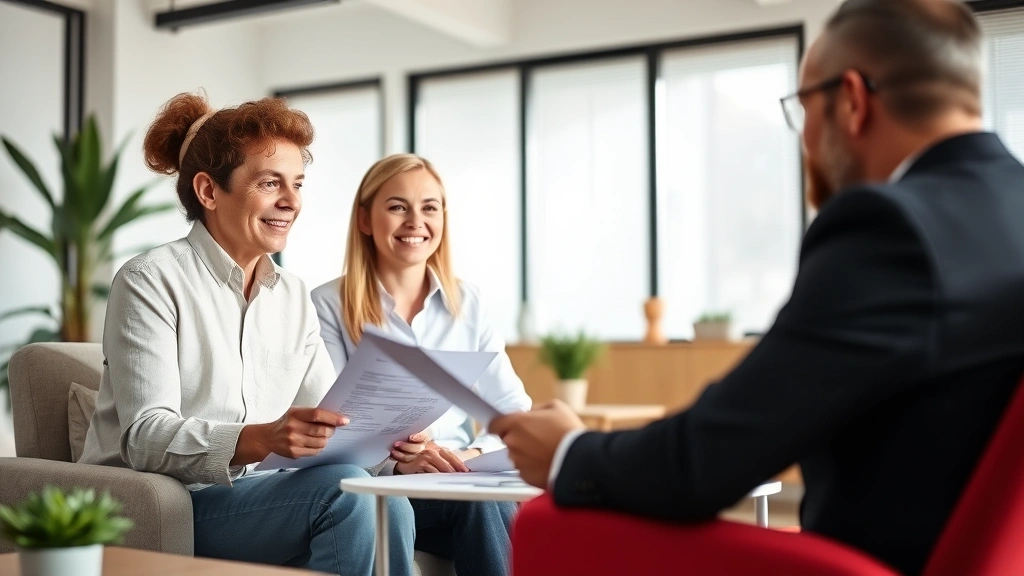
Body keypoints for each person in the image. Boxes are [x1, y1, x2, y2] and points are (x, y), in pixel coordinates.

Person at [491, 1, 1024, 573]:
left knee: (548, 523)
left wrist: (569, 454)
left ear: (850, 100)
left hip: (859, 564)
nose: (808, 140)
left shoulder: (889, 229)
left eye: (804, 109)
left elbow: (703, 465)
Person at [79, 92, 418, 575]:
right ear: (209, 191)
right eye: (270, 182)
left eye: (297, 183)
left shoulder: (293, 295)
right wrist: (262, 438)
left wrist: (393, 452)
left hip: (257, 498)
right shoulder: (149, 280)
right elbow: (145, 438)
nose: (292, 201)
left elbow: (331, 419)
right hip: (164, 505)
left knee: (384, 496)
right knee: (349, 495)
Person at [311, 153, 532, 576]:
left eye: (429, 207)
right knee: (489, 508)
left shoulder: (468, 304)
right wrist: (398, 462)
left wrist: (462, 456)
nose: (416, 221)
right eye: (397, 207)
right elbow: (331, 427)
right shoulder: (326, 305)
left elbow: (513, 412)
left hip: (455, 479)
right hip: (379, 486)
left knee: (489, 503)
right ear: (364, 219)